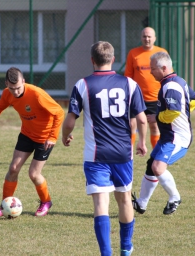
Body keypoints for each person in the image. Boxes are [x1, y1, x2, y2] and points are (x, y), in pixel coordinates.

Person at [62, 41, 148, 256]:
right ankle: (126, 248)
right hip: (122, 153)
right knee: (125, 198)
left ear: (92, 60)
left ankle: (106, 254)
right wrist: (141, 142)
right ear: (112, 59)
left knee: (101, 202)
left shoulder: (82, 85)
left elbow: (70, 120)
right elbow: (142, 119)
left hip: (95, 155)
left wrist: (65, 136)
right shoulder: (129, 84)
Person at [0, 67, 64, 217]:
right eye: (11, 88)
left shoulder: (36, 94)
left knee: (34, 174)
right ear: (6, 84)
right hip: (27, 135)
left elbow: (59, 112)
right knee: (14, 168)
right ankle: (4, 206)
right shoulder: (7, 94)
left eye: (17, 88)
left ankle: (46, 201)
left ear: (23, 81)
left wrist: (53, 137)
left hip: (44, 138)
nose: (15, 92)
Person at [132, 52, 192, 215]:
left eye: (153, 69)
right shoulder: (179, 81)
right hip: (168, 136)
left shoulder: (170, 86)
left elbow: (173, 112)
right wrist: (186, 110)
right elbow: (192, 100)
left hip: (177, 138)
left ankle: (175, 197)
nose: (150, 72)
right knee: (151, 166)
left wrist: (155, 117)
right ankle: (141, 203)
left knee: (158, 167)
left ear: (164, 68)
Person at [124, 27, 168, 148]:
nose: (147, 39)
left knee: (154, 125)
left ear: (155, 38)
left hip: (156, 98)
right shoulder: (133, 53)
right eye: (144, 36)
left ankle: (156, 154)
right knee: (132, 124)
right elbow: (128, 75)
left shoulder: (161, 53)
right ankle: (128, 153)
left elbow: (167, 74)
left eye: (149, 36)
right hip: (137, 97)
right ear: (141, 38)